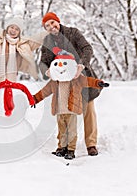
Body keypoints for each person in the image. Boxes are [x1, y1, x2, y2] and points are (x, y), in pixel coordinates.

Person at [39, 12, 101, 156]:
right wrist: (47, 71)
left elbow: (87, 48)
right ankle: (63, 145)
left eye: (52, 23)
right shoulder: (48, 41)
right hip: (64, 83)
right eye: (47, 25)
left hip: (82, 78)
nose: (51, 27)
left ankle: (91, 144)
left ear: (58, 21)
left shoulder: (73, 33)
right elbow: (43, 62)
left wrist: (81, 65)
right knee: (63, 114)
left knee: (88, 111)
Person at [33, 50, 109, 159]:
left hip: (71, 110)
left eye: (64, 64)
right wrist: (35, 99)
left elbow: (88, 81)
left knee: (71, 131)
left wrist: (98, 83)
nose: (61, 67)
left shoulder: (77, 79)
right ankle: (62, 147)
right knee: (62, 130)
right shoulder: (54, 81)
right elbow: (44, 91)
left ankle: (71, 150)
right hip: (59, 110)